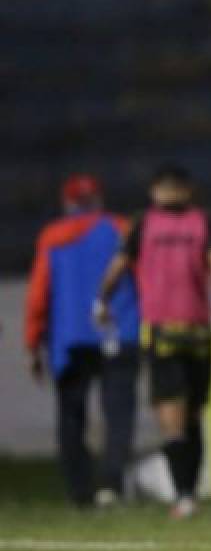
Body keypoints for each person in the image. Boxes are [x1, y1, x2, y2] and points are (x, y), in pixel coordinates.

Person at [96, 165, 211, 520]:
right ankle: (189, 492)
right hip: (198, 331)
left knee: (172, 417)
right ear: (189, 189)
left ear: (155, 191)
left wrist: (102, 301)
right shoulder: (205, 222)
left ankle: (183, 494)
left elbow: (118, 266)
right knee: (194, 414)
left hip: (162, 331)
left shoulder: (142, 224)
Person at [24, 175, 139, 507]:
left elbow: (38, 294)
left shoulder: (53, 236)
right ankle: (113, 486)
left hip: (69, 338)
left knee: (71, 417)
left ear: (67, 202)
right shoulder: (121, 227)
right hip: (121, 331)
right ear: (99, 198)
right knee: (118, 414)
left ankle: (80, 491)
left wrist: (33, 343)